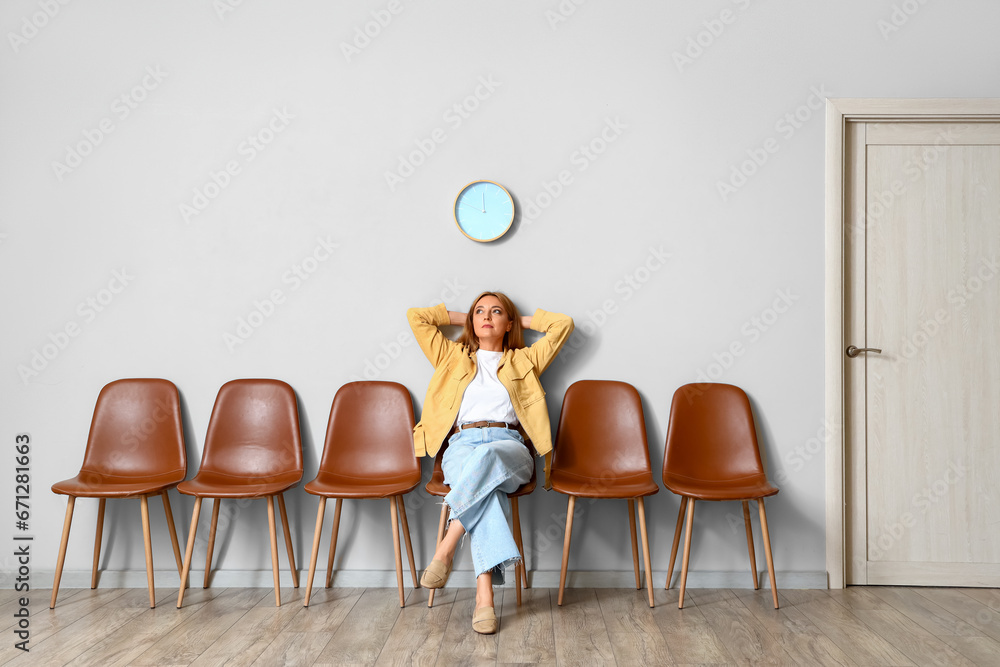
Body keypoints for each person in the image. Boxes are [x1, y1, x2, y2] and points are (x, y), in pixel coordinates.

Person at [407, 292, 573, 634]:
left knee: (488, 460)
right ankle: (485, 599)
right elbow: (417, 317)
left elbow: (562, 325)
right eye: (480, 312)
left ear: (507, 322)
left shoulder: (523, 360)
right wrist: (465, 316)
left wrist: (520, 321)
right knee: (489, 493)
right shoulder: (451, 356)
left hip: (509, 446)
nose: (487, 316)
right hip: (461, 446)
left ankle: (448, 546)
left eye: (496, 312)